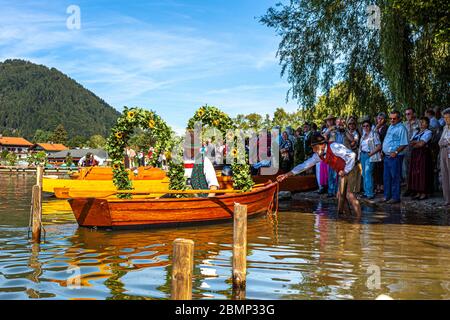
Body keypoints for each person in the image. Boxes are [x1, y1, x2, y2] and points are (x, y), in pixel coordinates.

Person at [277, 133, 361, 215]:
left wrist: (346, 170)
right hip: (342, 172)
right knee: (339, 196)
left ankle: (358, 221)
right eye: (313, 148)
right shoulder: (318, 155)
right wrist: (287, 174)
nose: (314, 150)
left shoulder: (334, 146)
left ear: (323, 144)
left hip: (352, 167)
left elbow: (352, 155)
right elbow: (304, 165)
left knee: (349, 194)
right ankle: (347, 218)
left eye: (315, 147)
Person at [381, 111, 408, 204]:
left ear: (399, 118)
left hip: (395, 157)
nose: (392, 120)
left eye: (394, 118)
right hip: (387, 156)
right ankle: (387, 196)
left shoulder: (402, 128)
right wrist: (382, 151)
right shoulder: (390, 126)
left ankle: (395, 197)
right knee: (386, 177)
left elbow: (404, 143)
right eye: (391, 118)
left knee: (395, 177)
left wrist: (396, 152)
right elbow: (387, 139)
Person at [408, 117, 433, 200]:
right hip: (415, 154)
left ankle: (424, 192)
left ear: (427, 124)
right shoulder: (416, 132)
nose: (421, 123)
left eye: (423, 122)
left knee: (423, 172)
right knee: (415, 173)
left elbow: (421, 144)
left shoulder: (428, 132)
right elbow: (410, 143)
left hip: (423, 155)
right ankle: (418, 191)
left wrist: (416, 143)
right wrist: (416, 143)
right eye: (420, 122)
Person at [359, 120, 382, 199]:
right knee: (364, 174)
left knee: (368, 173)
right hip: (363, 155)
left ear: (370, 126)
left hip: (370, 155)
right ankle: (366, 192)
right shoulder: (363, 135)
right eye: (364, 126)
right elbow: (361, 147)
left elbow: (379, 146)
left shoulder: (374, 134)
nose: (365, 127)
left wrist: (371, 153)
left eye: (367, 125)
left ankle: (370, 193)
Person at [402, 108, 420, 196]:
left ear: (413, 114)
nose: (407, 115)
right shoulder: (404, 124)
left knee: (416, 170)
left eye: (409, 113)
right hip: (406, 150)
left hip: (416, 150)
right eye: (406, 114)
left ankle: (416, 189)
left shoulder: (419, 123)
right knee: (407, 170)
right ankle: (408, 188)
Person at [373, 112, 389, 194]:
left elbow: (384, 139)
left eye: (381, 118)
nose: (379, 120)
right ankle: (378, 185)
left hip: (382, 150)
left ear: (385, 119)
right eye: (378, 118)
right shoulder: (376, 127)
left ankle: (382, 186)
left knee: (381, 169)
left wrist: (382, 151)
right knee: (376, 169)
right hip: (375, 150)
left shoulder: (386, 128)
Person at [438, 108, 450, 206]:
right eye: (445, 118)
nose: (446, 120)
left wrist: (445, 142)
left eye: (448, 117)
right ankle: (447, 199)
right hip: (443, 152)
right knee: (444, 175)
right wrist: (446, 142)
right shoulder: (445, 128)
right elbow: (440, 142)